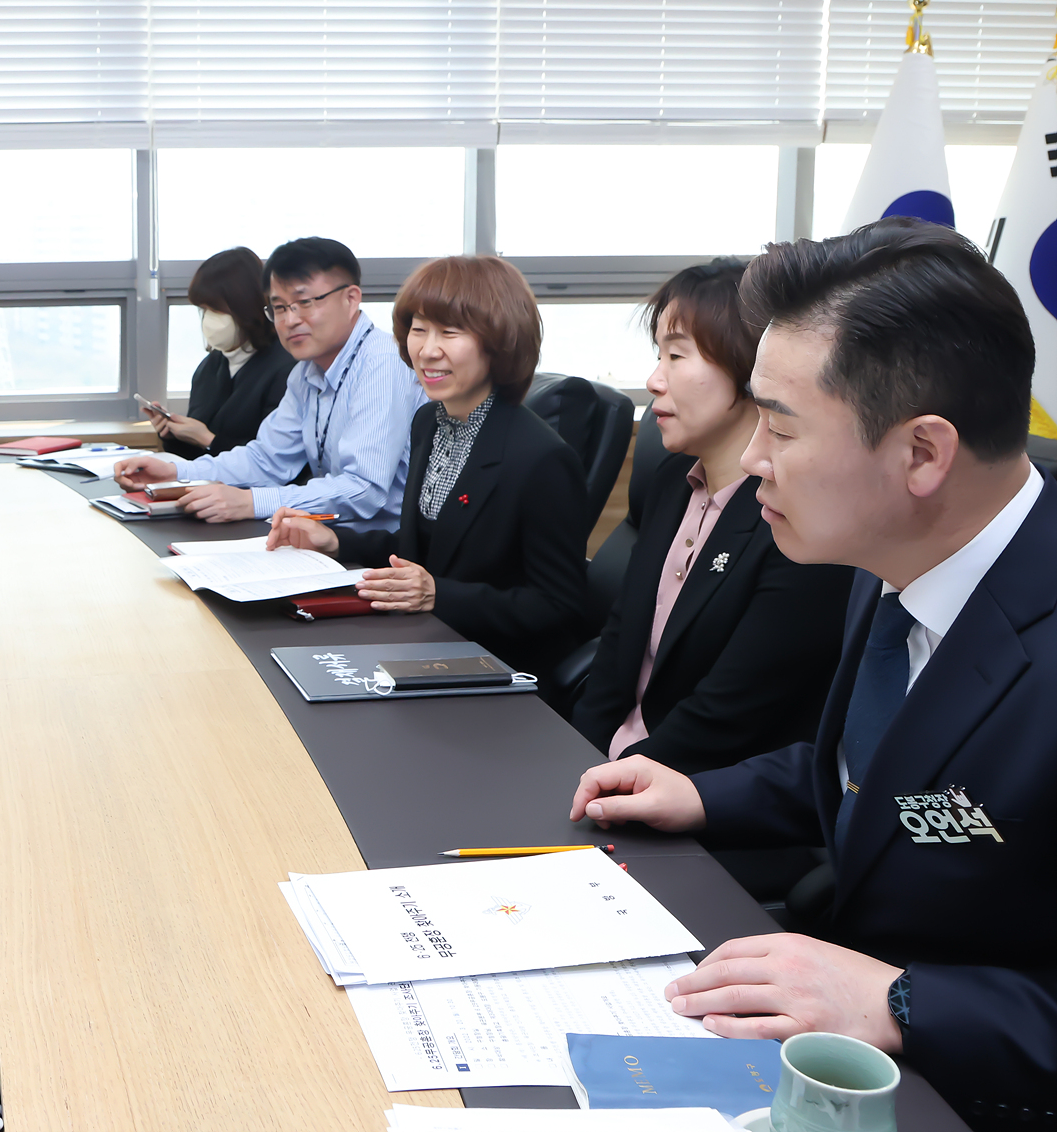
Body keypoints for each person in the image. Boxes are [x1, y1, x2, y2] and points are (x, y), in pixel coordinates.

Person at [567, 220, 1055, 1127]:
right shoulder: (891, 558)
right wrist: (705, 795)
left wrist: (904, 1001)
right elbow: (889, 763)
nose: (752, 460)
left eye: (780, 429)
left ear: (921, 453)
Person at [568, 261, 853, 772]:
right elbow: (615, 654)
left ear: (751, 368)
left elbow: (729, 717)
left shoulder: (793, 519)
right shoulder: (671, 484)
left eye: (676, 355)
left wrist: (608, 781)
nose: (655, 379)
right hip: (605, 768)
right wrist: (570, 758)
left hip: (695, 796)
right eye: (658, 355)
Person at [266, 255, 588, 690]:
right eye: (419, 329)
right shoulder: (429, 422)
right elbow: (429, 546)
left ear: (500, 342)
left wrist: (439, 593)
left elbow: (559, 606)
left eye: (450, 332)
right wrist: (338, 541)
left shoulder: (541, 458)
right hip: (426, 643)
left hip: (495, 668)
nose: (427, 349)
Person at [113, 237, 423, 529]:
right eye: (279, 307)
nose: (290, 320)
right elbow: (266, 459)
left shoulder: (383, 363)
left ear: (350, 299)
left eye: (304, 302)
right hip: (334, 537)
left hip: (388, 554)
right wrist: (178, 472)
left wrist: (250, 502)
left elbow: (364, 490)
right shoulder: (305, 372)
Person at [147, 247, 294, 460]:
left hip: (254, 492)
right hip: (207, 487)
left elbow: (275, 459)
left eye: (216, 310)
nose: (207, 320)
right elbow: (195, 458)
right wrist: (172, 435)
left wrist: (209, 439)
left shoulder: (286, 368)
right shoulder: (210, 367)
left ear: (246, 307)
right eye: (203, 310)